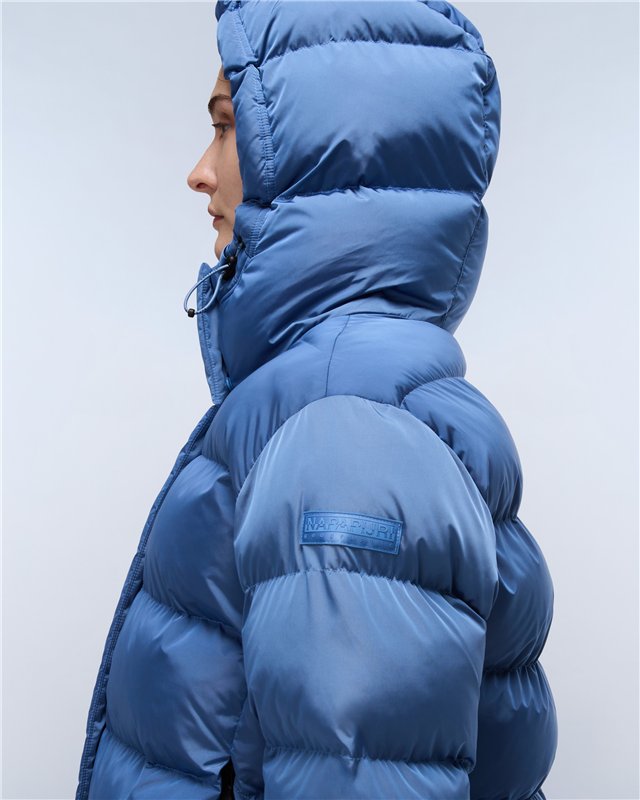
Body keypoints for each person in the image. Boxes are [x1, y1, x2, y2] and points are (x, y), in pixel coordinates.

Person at [75, 1, 558, 798]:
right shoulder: (376, 397)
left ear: (311, 167)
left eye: (225, 128)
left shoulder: (344, 431)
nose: (200, 171)